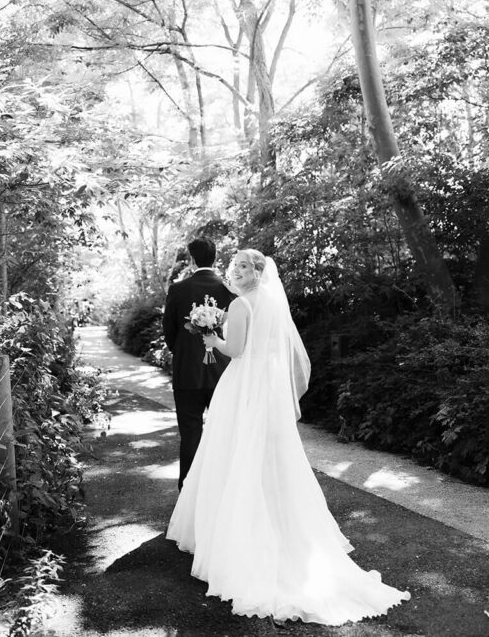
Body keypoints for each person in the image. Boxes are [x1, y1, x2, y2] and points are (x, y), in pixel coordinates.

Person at [166, 249, 411, 625]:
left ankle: (237, 533)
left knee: (235, 449)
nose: (237, 271)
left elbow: (236, 351)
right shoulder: (268, 301)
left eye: (244, 267)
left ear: (257, 272)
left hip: (244, 383)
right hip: (267, 387)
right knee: (266, 451)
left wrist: (213, 340)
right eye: (235, 266)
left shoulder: (245, 305)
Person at [162, 237, 236, 491]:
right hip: (223, 371)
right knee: (222, 433)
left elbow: (169, 332)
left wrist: (182, 352)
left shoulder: (177, 290)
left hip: (187, 371)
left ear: (192, 259)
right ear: (215, 258)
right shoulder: (229, 290)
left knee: (190, 432)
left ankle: (189, 490)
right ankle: (220, 490)